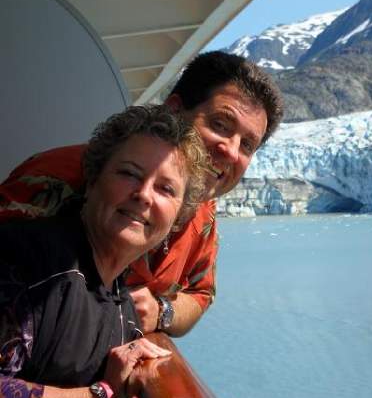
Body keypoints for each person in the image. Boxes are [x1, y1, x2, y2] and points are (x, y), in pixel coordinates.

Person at [0, 51, 284, 337]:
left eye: (247, 145)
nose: (231, 152)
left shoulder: (202, 214)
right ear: (174, 110)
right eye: (220, 125)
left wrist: (161, 312)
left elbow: (201, 293)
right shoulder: (55, 178)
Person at [0, 105, 208, 398]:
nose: (145, 195)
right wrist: (100, 394)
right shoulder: (27, 261)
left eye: (166, 189)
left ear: (177, 218)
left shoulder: (121, 304)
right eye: (129, 173)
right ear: (93, 179)